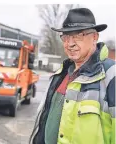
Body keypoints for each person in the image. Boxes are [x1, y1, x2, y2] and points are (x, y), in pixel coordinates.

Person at [29, 8, 115, 144]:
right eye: (66, 37)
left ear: (95, 37)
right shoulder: (60, 74)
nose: (70, 43)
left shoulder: (111, 76)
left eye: (78, 36)